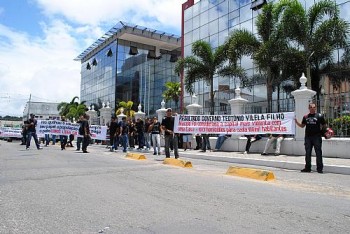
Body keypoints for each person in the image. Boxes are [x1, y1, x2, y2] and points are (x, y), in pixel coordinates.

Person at [295, 103, 327, 173]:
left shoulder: (319, 116)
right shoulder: (306, 117)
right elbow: (302, 126)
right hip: (308, 137)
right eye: (311, 107)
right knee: (308, 153)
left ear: (315, 108)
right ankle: (307, 168)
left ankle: (319, 169)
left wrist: (324, 133)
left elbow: (324, 125)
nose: (312, 108)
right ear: (309, 108)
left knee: (318, 153)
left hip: (317, 137)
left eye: (314, 107)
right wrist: (296, 122)